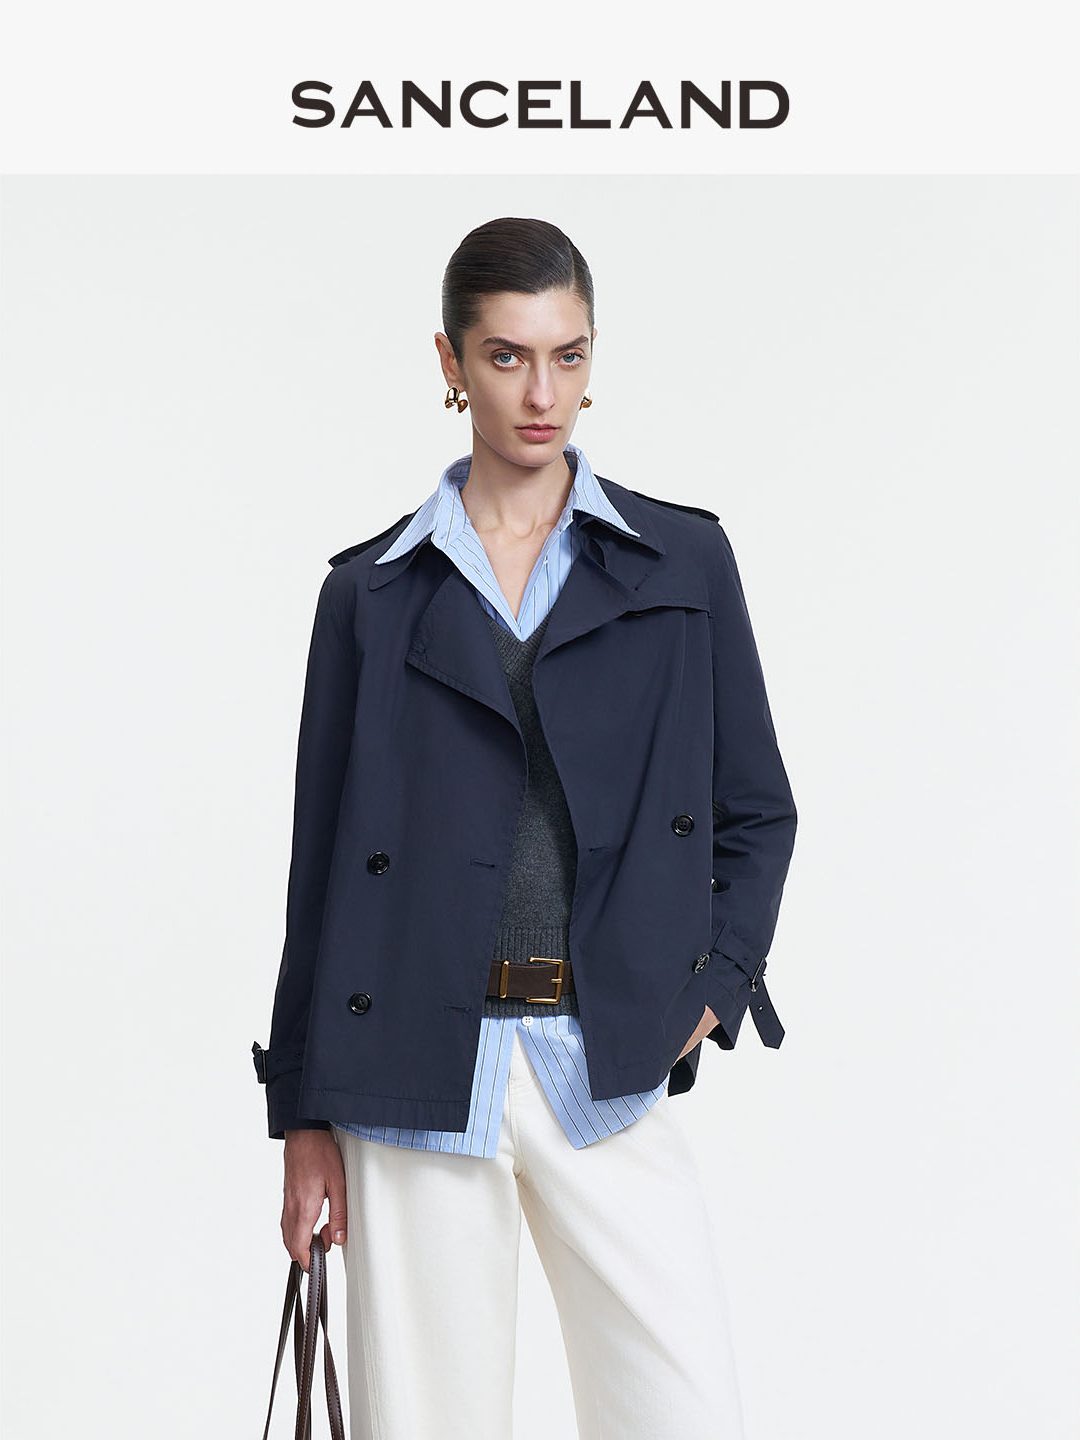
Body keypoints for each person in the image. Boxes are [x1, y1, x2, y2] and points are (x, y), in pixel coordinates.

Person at [253, 216, 798, 1439]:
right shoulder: (370, 594)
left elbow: (757, 809)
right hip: (411, 1071)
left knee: (686, 1410)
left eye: (567, 354)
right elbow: (323, 869)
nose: (541, 393)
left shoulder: (680, 563)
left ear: (593, 356)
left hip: (605, 1055)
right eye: (506, 357)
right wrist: (302, 1118)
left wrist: (712, 988)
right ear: (450, 363)